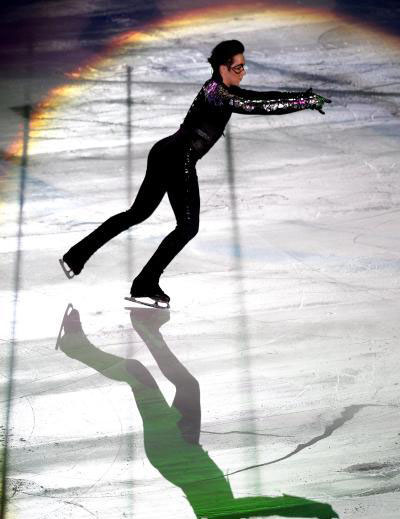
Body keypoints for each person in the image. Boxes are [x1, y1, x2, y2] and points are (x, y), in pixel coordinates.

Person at [59, 40, 331, 305]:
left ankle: (77, 256)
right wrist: (303, 101)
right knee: (186, 226)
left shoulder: (221, 90)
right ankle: (144, 281)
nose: (243, 72)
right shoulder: (218, 93)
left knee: (138, 213)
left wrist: (302, 98)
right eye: (238, 67)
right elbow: (257, 105)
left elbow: (257, 98)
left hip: (166, 152)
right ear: (223, 68)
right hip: (178, 158)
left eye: (243, 66)